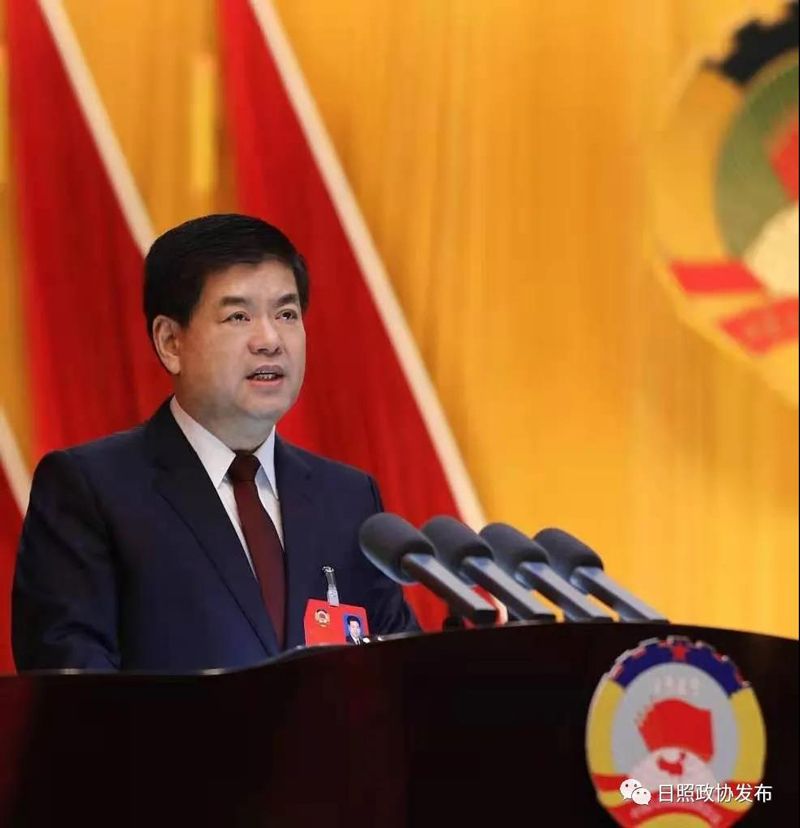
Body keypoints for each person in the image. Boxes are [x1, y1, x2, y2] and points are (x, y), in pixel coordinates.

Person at [12, 214, 417, 672]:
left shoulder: (348, 499)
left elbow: (399, 675)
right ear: (171, 342)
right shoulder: (92, 492)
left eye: (286, 314)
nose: (270, 341)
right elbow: (74, 691)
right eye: (238, 316)